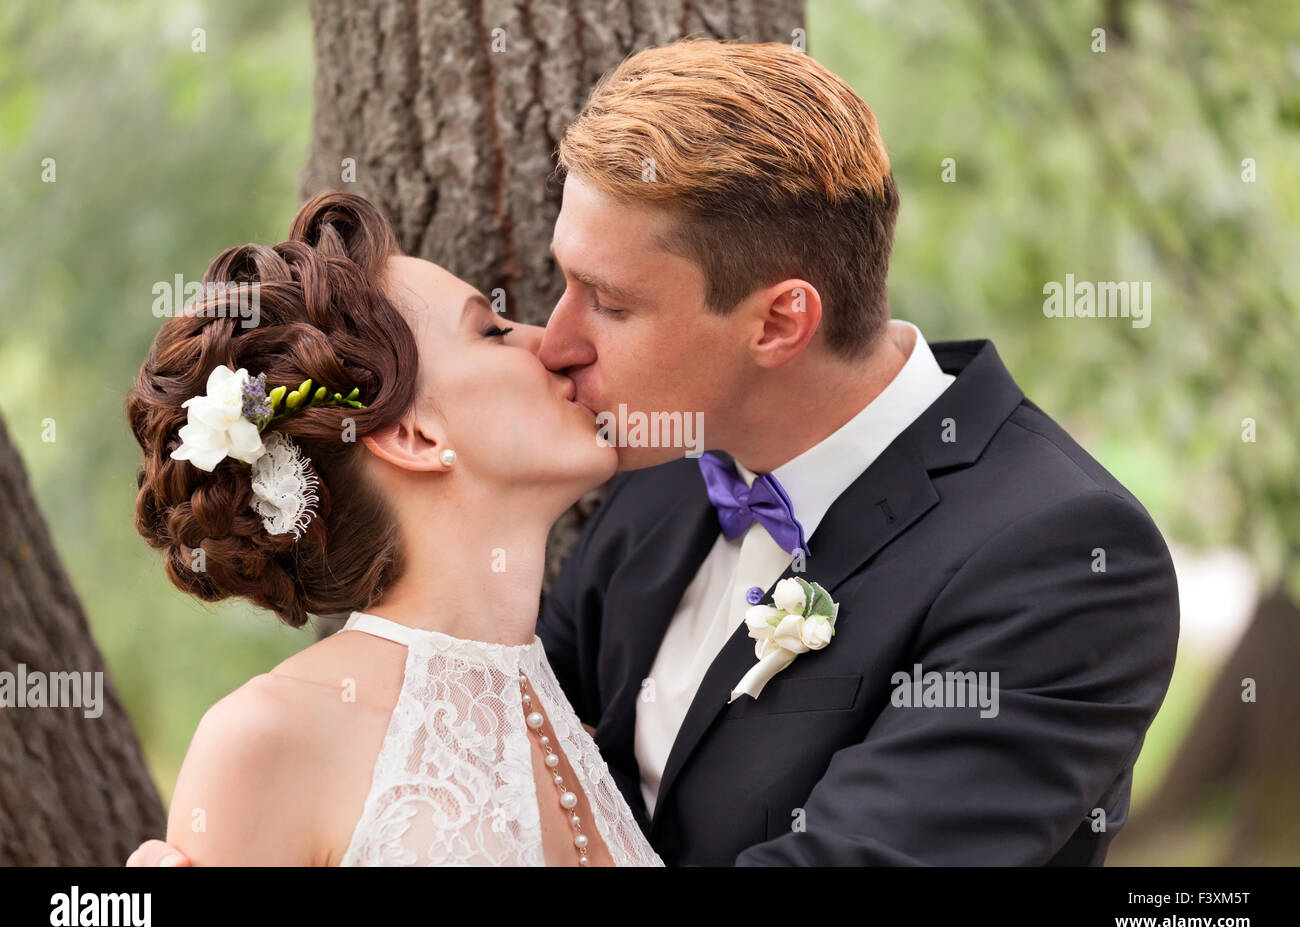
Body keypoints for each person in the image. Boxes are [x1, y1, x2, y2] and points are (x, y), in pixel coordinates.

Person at [130, 38, 1179, 868]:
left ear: (777, 323)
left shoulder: (1062, 559)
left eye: (612, 302)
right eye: (549, 288)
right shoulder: (655, 486)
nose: (557, 336)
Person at [125, 190, 663, 866]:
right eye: (491, 331)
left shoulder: (573, 729)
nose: (550, 345)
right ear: (411, 434)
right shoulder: (268, 736)